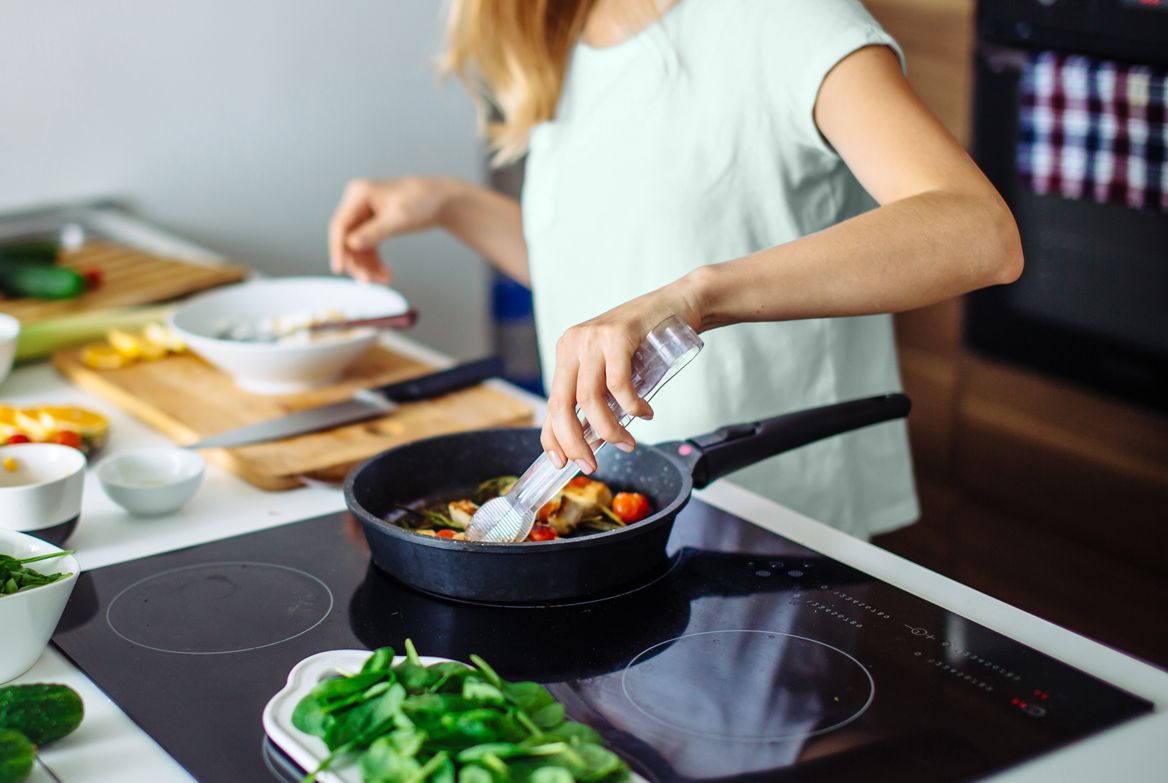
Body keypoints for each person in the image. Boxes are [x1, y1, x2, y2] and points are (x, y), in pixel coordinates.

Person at [327, 0, 1022, 539]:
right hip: (614, 515)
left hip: (769, 523)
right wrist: (450, 205)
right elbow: (608, 282)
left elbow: (978, 233)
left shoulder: (781, 19)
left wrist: (698, 297)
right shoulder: (566, 35)